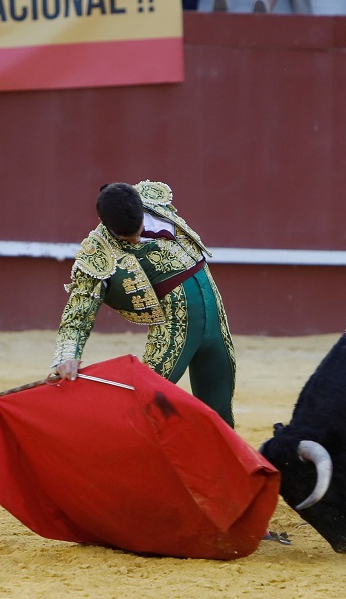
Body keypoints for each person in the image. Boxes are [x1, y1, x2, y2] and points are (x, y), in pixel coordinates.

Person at [51, 180, 237, 428]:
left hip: (215, 314)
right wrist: (67, 355)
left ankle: (222, 466)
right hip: (174, 328)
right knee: (142, 407)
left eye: (137, 229)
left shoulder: (154, 202)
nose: (136, 238)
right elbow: (79, 309)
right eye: (126, 237)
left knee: (220, 408)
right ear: (107, 227)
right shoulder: (98, 251)